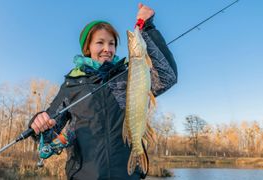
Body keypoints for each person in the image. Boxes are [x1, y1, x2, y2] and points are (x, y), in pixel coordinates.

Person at [29, 3, 178, 180]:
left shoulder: (127, 77)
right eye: (100, 42)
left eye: (112, 43)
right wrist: (38, 123)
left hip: (127, 175)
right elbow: (49, 129)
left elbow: (166, 76)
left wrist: (147, 27)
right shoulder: (72, 85)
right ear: (88, 48)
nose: (107, 49)